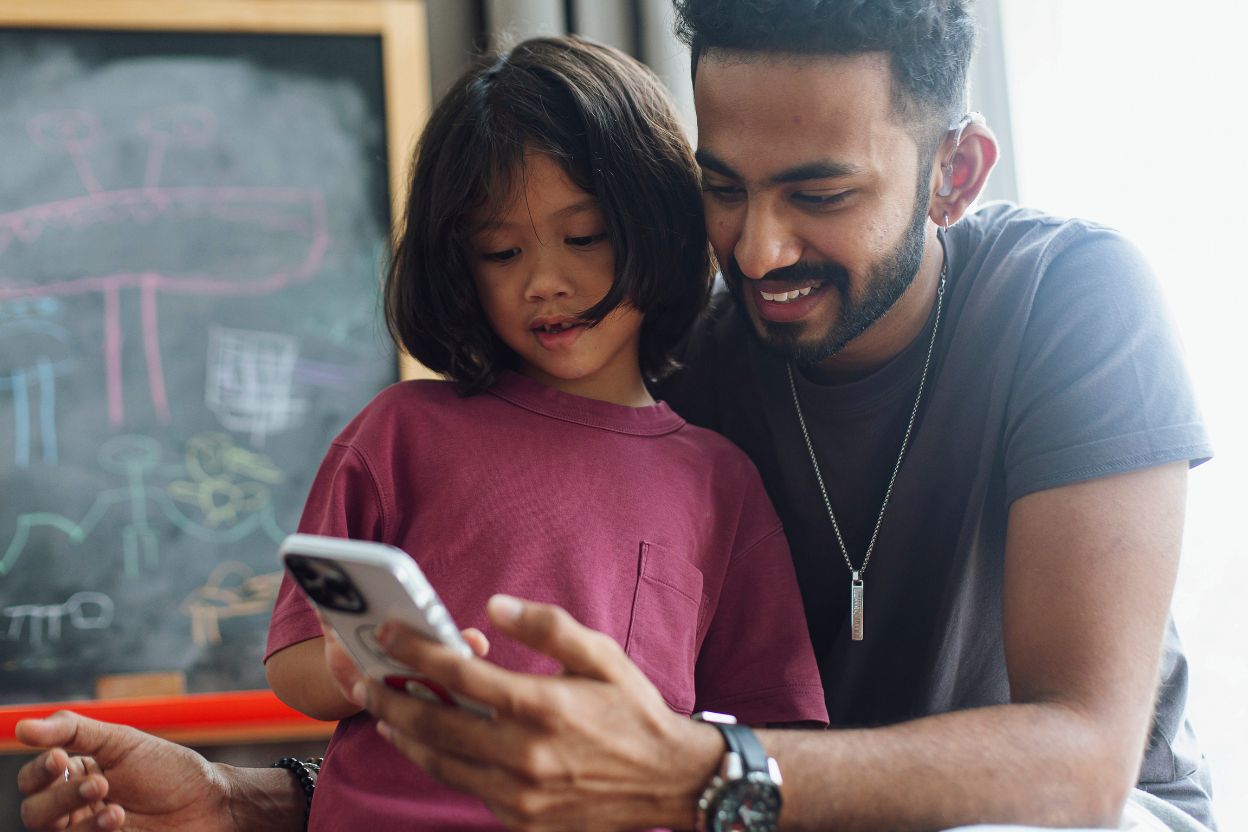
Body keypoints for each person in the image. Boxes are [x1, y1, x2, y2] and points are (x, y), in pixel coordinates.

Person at [17, 1, 1216, 830]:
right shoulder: (682, 364)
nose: (760, 249)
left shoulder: (1072, 297)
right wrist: (252, 801)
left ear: (955, 173)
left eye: (822, 193)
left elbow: (1081, 762)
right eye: (723, 189)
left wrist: (690, 768)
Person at [260, 34, 825, 831]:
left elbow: (778, 735)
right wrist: (348, 671)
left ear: (655, 224)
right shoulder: (398, 434)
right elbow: (290, 661)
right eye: (500, 250)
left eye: (583, 236)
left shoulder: (718, 483)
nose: (543, 281)